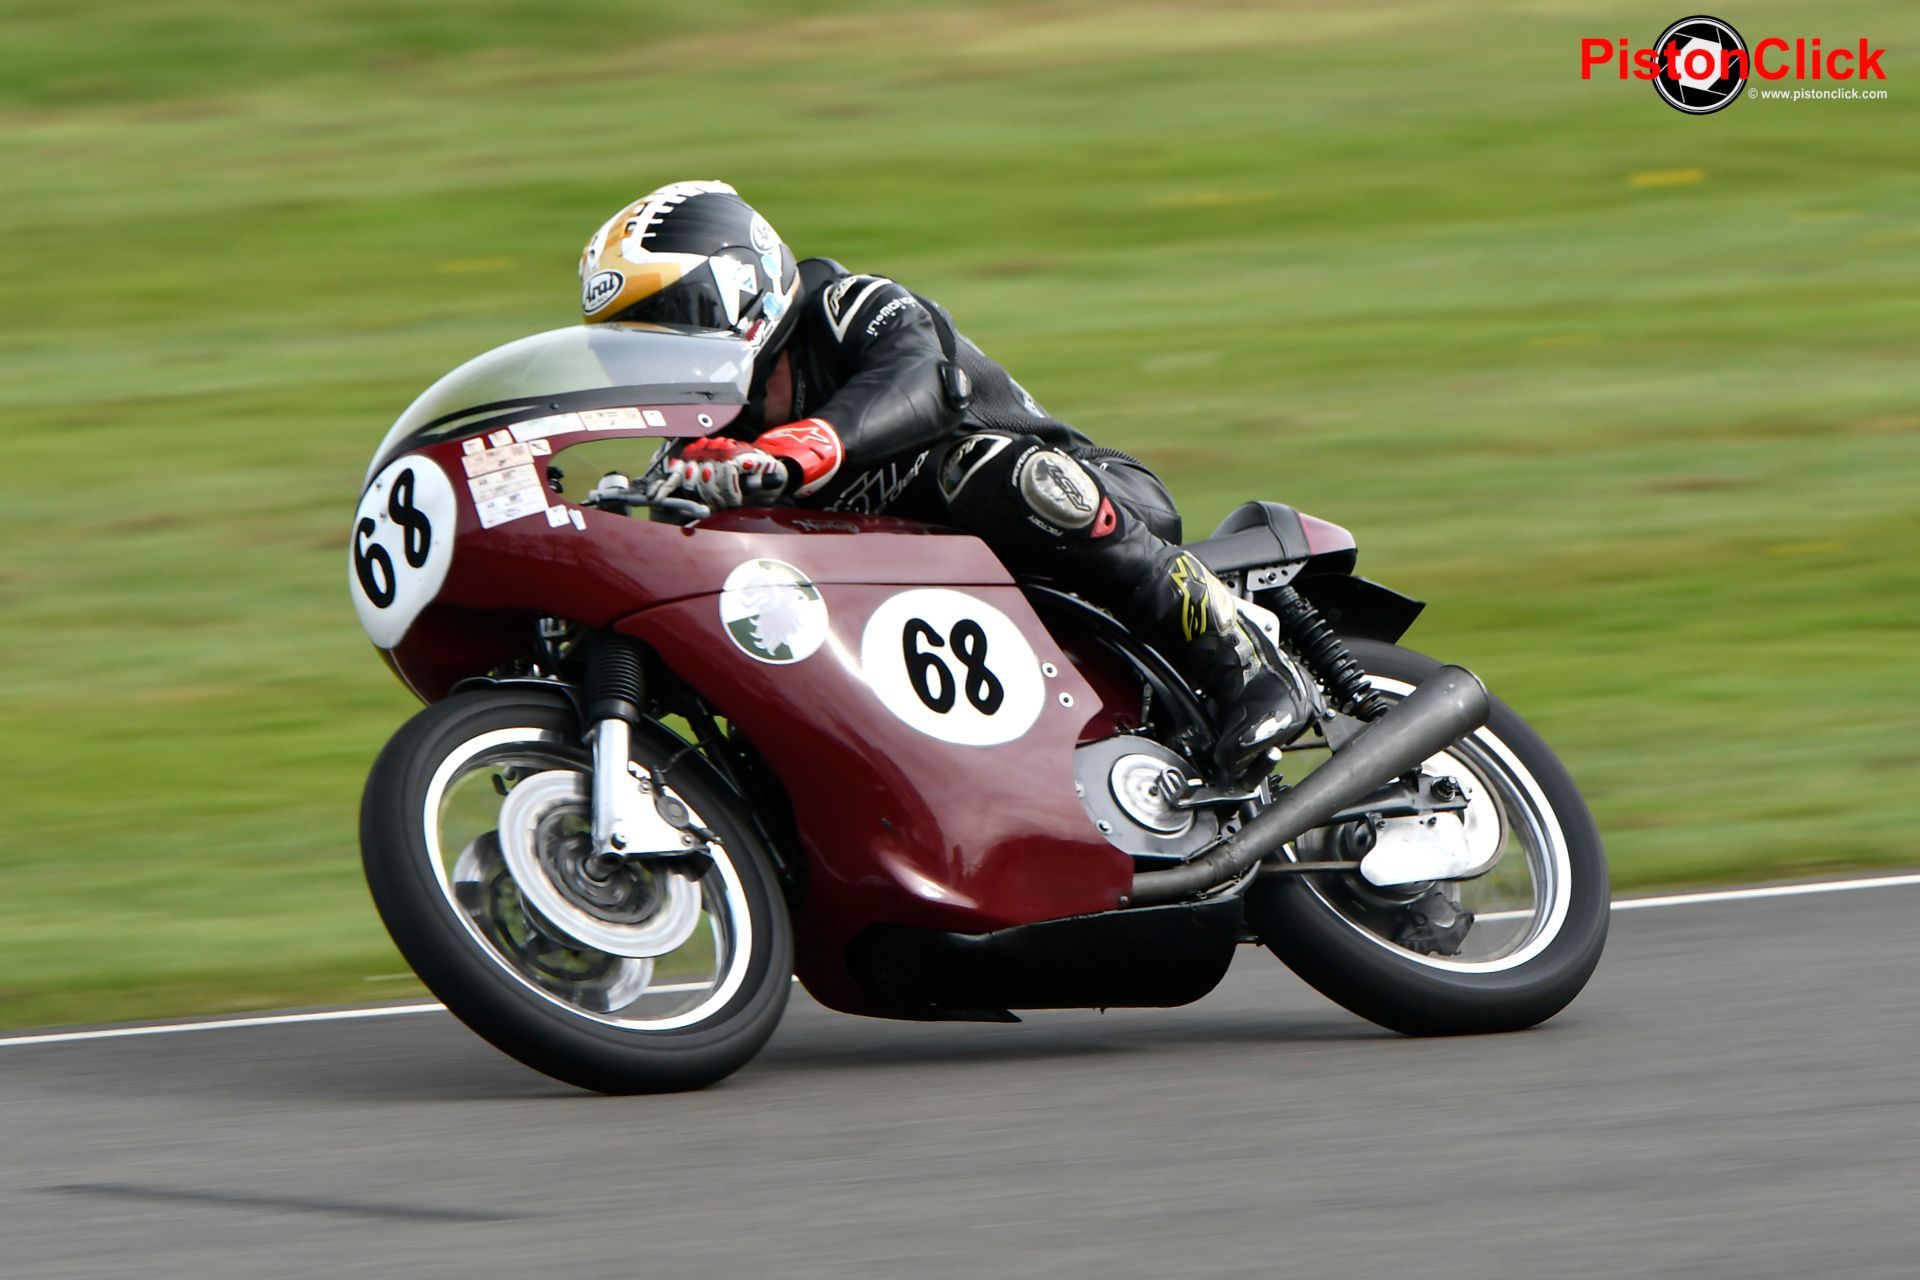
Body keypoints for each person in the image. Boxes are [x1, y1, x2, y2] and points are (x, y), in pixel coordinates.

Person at [576, 181, 1299, 776]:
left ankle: (1245, 660)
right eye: (631, 337)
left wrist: (796, 451)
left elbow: (921, 381)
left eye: (666, 319)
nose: (656, 351)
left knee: (985, 471)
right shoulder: (703, 440)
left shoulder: (851, 306)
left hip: (1085, 504)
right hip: (950, 605)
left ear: (742, 283)